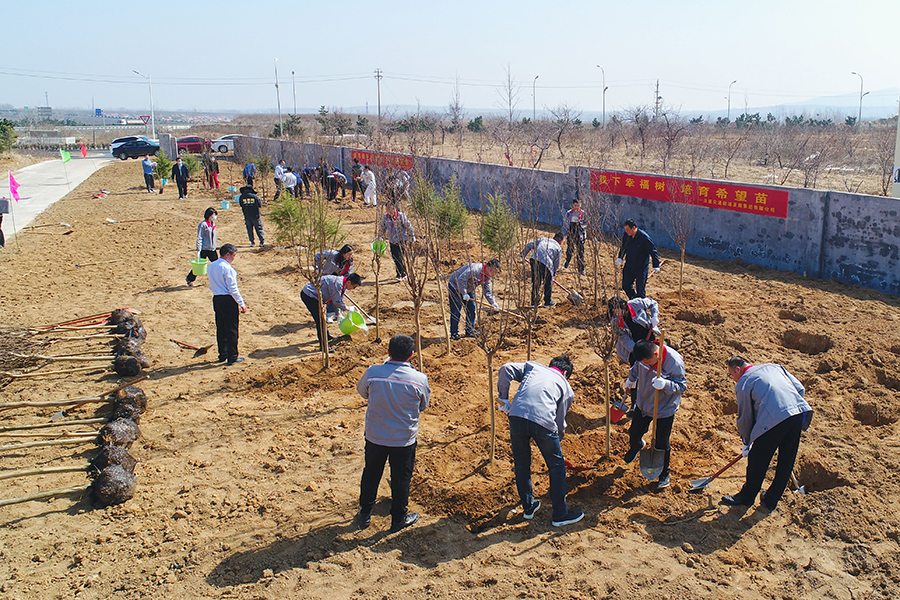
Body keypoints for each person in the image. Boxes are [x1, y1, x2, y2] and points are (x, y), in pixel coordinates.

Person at [497, 354, 584, 527]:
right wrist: (557, 442)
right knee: (556, 466)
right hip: (543, 422)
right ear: (566, 373)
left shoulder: (533, 367)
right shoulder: (566, 388)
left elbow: (506, 369)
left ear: (551, 365)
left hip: (516, 416)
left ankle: (528, 507)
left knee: (521, 463)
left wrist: (504, 399)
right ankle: (560, 514)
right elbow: (559, 421)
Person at [355, 334, 431, 533]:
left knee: (371, 473)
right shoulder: (419, 379)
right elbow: (424, 405)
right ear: (412, 355)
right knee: (401, 478)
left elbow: (362, 392)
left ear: (388, 352)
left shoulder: (373, 372)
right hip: (403, 439)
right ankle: (398, 518)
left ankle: (364, 513)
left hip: (375, 435)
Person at [721, 357, 813, 511]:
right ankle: (771, 500)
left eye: (732, 374)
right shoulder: (774, 367)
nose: (734, 379)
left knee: (758, 460)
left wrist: (746, 441)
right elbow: (799, 388)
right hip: (797, 414)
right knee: (786, 460)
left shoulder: (744, 383)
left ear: (737, 369)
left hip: (775, 421)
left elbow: (745, 417)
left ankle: (746, 497)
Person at [622, 339, 687, 490]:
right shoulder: (644, 357)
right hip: (643, 403)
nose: (647, 364)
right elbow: (636, 367)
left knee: (661, 443)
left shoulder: (674, 361)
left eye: (648, 362)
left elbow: (682, 386)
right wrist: (631, 380)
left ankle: (664, 473)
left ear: (656, 354)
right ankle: (637, 446)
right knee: (634, 432)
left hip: (664, 408)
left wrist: (666, 384)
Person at [609, 296, 660, 412]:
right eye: (613, 311)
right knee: (635, 373)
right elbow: (623, 338)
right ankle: (634, 404)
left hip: (649, 339)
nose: (616, 313)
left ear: (623, 307)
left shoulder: (636, 304)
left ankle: (653, 398)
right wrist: (637, 350)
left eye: (617, 310)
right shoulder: (616, 321)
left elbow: (653, 303)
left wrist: (654, 316)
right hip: (633, 349)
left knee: (653, 368)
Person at [207, 243, 248, 365]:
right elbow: (233, 288)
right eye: (234, 255)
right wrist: (241, 303)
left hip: (217, 298)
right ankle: (232, 356)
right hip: (228, 300)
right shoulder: (228, 269)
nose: (234, 258)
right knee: (232, 329)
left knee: (221, 327)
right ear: (228, 254)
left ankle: (222, 354)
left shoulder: (212, 266)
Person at [300, 273, 363, 352]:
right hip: (309, 295)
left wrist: (338, 314)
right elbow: (336, 301)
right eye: (353, 287)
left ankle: (327, 336)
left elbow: (336, 299)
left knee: (322, 319)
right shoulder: (338, 284)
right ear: (349, 282)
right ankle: (324, 346)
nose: (352, 289)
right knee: (320, 321)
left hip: (315, 296)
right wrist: (347, 308)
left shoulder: (342, 285)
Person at [447, 259, 501, 341]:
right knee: (456, 310)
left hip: (469, 288)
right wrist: (464, 293)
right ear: (490, 269)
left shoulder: (487, 277)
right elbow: (461, 279)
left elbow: (487, 290)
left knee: (472, 308)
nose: (495, 275)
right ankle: (454, 333)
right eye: (495, 272)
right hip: (455, 285)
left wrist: (493, 303)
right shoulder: (475, 269)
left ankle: (470, 330)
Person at [617, 219, 660, 299]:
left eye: (628, 230)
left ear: (634, 228)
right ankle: (635, 302)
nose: (626, 231)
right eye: (625, 229)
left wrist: (656, 265)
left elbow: (653, 251)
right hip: (629, 265)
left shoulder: (644, 238)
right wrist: (620, 257)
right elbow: (623, 246)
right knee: (626, 285)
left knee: (640, 290)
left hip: (641, 268)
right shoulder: (627, 235)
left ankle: (641, 307)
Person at [315, 244, 355, 323]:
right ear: (344, 253)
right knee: (331, 296)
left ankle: (338, 314)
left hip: (338, 279)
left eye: (351, 254)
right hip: (327, 278)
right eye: (349, 254)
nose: (350, 256)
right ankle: (329, 314)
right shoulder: (332, 255)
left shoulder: (349, 262)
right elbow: (318, 255)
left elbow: (350, 272)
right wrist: (319, 268)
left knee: (340, 295)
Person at [522, 232, 563, 308]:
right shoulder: (558, 248)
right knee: (548, 282)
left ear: (554, 238)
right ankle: (547, 302)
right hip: (546, 263)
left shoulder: (544, 239)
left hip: (534, 259)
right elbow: (556, 263)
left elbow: (530, 245)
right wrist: (553, 274)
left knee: (536, 282)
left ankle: (534, 302)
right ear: (561, 242)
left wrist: (523, 254)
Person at [380, 204, 415, 279]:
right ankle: (403, 272)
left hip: (401, 240)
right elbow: (383, 227)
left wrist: (412, 235)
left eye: (388, 209)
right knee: (395, 257)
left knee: (399, 256)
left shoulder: (401, 216)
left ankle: (400, 274)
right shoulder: (385, 217)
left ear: (393, 208)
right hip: (392, 241)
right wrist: (380, 236)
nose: (387, 211)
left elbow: (408, 225)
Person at [186, 207, 218, 287]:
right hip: (204, 249)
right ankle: (190, 278)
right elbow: (200, 237)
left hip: (212, 248)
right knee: (199, 265)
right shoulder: (203, 225)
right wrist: (198, 248)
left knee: (217, 264)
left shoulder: (213, 224)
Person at [562, 199, 586, 275]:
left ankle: (581, 269)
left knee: (580, 252)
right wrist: (564, 233)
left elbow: (586, 224)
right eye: (575, 205)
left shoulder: (583, 214)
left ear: (581, 205)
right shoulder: (569, 213)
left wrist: (582, 227)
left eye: (578, 205)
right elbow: (565, 224)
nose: (577, 207)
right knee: (570, 249)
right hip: (571, 232)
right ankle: (567, 261)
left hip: (580, 233)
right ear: (573, 205)